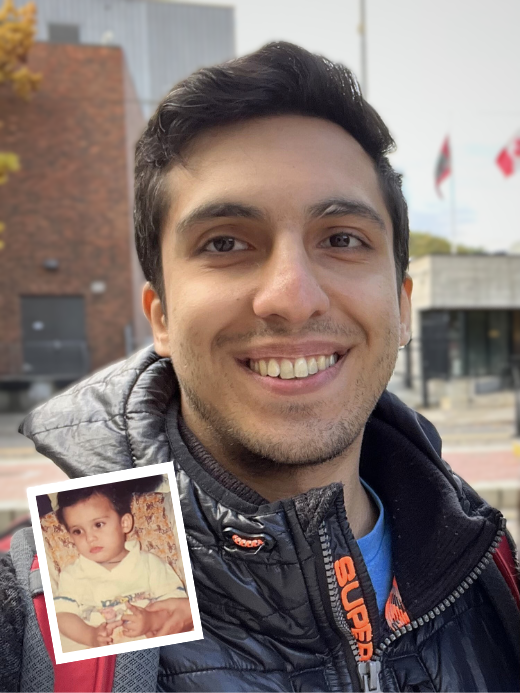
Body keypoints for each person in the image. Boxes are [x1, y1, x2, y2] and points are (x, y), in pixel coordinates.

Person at [4, 41, 519, 692]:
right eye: (225, 243)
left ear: (402, 304)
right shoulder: (30, 608)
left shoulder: (494, 569)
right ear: (159, 317)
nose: (293, 296)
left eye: (341, 239)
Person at [52, 484, 190, 651]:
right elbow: (62, 616)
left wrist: (152, 621)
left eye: (98, 525)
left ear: (124, 523)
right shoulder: (72, 575)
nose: (90, 538)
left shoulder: (150, 564)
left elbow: (176, 606)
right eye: (78, 531)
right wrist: (90, 635)